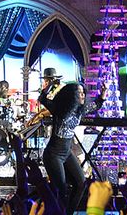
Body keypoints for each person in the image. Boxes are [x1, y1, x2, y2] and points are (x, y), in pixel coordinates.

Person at [37, 75, 86, 212]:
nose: (83, 95)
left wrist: (103, 95)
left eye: (83, 93)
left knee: (81, 183)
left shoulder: (80, 111)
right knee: (61, 189)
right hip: (53, 155)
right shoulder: (60, 109)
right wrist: (48, 87)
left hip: (66, 153)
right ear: (72, 95)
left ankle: (68, 212)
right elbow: (42, 99)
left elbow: (96, 105)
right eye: (80, 93)